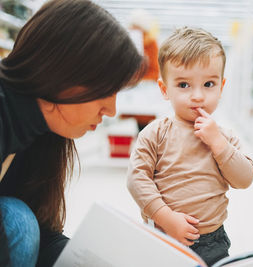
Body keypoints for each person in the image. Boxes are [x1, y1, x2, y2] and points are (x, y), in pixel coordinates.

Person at [0, 0, 146, 266]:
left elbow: (43, 236)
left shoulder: (42, 131)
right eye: (106, 90)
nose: (111, 109)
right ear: (64, 72)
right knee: (16, 219)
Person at [127, 26, 253, 266]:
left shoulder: (224, 137)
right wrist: (165, 218)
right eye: (184, 85)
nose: (197, 96)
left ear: (221, 86)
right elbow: (137, 179)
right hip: (164, 233)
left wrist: (218, 144)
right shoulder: (155, 133)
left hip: (213, 241)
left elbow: (244, 179)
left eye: (208, 84)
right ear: (165, 89)